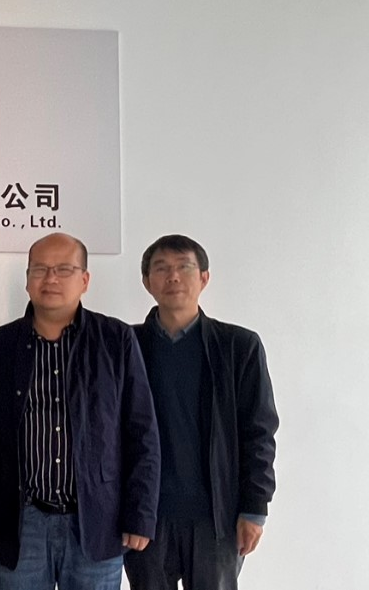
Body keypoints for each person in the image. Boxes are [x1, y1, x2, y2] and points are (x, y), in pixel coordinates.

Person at [0, 232, 160, 590]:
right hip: (20, 523)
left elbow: (141, 432)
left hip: (98, 521)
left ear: (85, 280)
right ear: (27, 279)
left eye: (64, 269)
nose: (51, 278)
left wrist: (140, 516)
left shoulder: (116, 340)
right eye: (40, 269)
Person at [124, 234, 278, 590]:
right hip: (147, 516)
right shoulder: (127, 346)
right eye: (161, 268)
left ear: (204, 278)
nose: (173, 276)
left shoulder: (238, 346)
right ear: (147, 282)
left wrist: (255, 506)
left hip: (217, 517)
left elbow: (259, 431)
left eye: (184, 267)